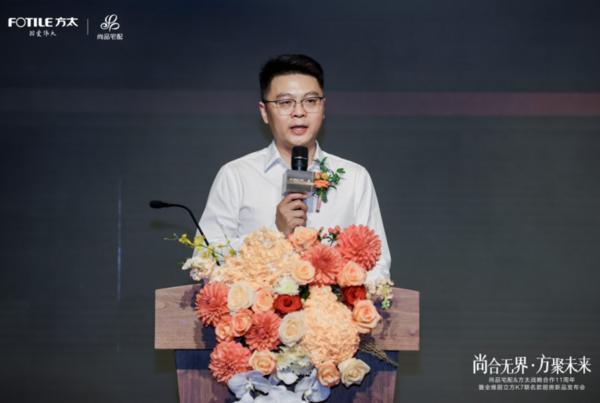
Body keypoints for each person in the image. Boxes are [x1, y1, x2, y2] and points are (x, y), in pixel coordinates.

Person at [197, 54, 391, 283]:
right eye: (285, 102)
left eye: (310, 101)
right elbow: (204, 261)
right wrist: (274, 235)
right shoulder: (236, 176)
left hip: (333, 306)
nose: (299, 112)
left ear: (323, 107)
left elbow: (378, 266)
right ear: (264, 112)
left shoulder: (354, 178)